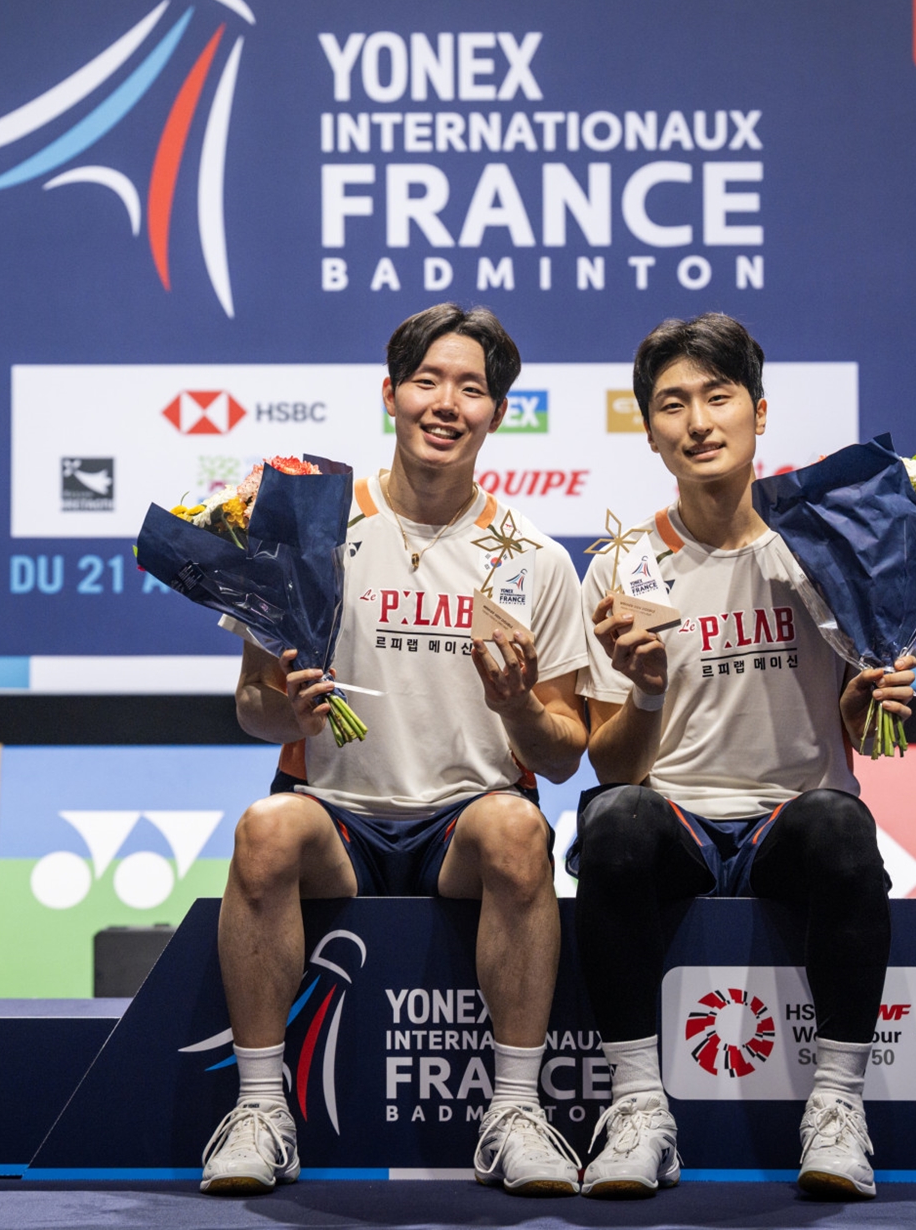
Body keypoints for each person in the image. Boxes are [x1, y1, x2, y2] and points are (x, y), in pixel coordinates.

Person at [200, 303, 592, 1197]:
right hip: (338, 821)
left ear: (497, 412)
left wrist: (519, 705)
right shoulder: (309, 525)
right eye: (427, 381)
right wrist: (291, 711)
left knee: (521, 832)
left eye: (472, 388)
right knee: (263, 828)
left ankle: (518, 1111)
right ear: (390, 394)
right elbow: (252, 707)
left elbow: (565, 752)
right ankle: (261, 1109)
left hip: (463, 828)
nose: (446, 403)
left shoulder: (534, 557)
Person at [569, 313, 916, 1201]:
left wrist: (874, 706)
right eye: (672, 404)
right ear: (649, 432)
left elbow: (863, 733)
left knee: (844, 823)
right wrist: (646, 688)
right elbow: (610, 768)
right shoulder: (620, 564)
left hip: (791, 820)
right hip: (680, 819)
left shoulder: (823, 551)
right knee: (611, 819)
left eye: (718, 397)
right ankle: (640, 1107)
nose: (697, 422)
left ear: (759, 412)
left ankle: (838, 1107)